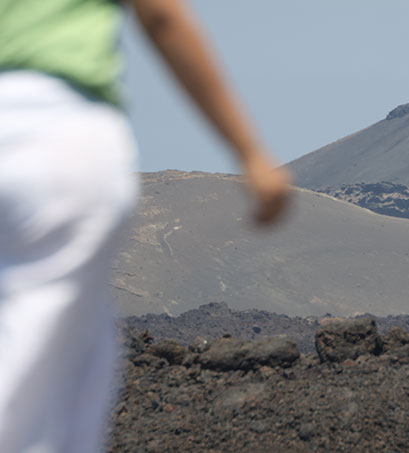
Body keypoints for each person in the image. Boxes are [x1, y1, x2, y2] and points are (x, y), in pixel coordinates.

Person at [0, 0, 291, 451]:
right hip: (57, 134)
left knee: (81, 354)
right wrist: (250, 152)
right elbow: (162, 16)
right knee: (41, 360)